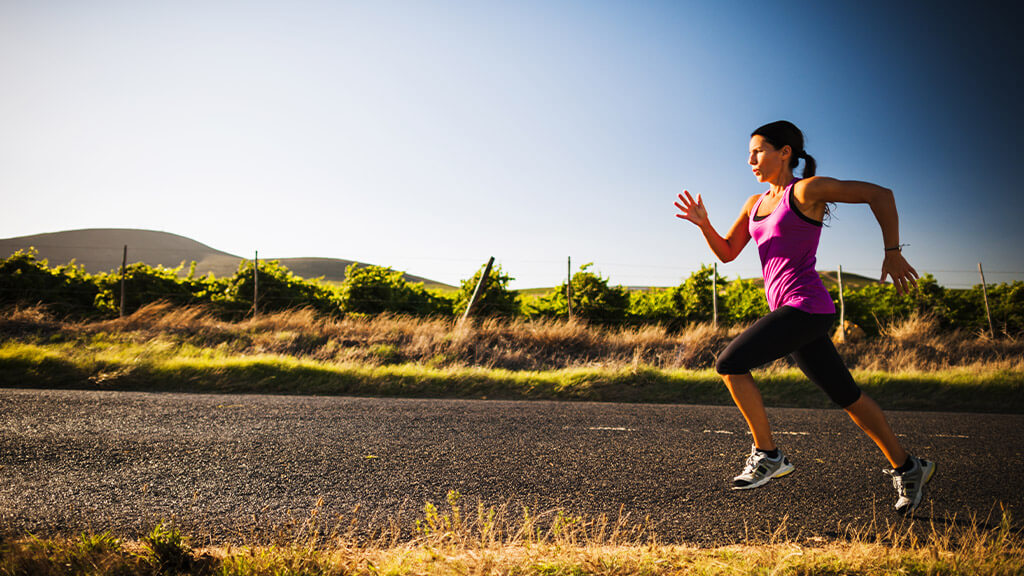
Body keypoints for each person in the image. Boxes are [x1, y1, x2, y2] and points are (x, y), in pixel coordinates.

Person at [673, 120, 935, 516]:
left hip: (807, 306)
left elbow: (880, 195)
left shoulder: (806, 191)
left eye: (758, 151)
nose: (750, 160)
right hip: (789, 312)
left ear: (785, 152)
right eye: (748, 154)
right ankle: (909, 467)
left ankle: (768, 454)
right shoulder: (753, 204)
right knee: (845, 395)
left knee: (729, 363)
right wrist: (704, 224)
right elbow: (727, 253)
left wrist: (892, 251)